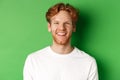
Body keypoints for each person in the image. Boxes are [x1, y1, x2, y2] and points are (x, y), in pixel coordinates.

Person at [23, 2, 99, 80]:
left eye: (67, 23)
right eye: (56, 23)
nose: (62, 28)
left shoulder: (88, 62)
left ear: (74, 27)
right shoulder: (33, 60)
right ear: (49, 27)